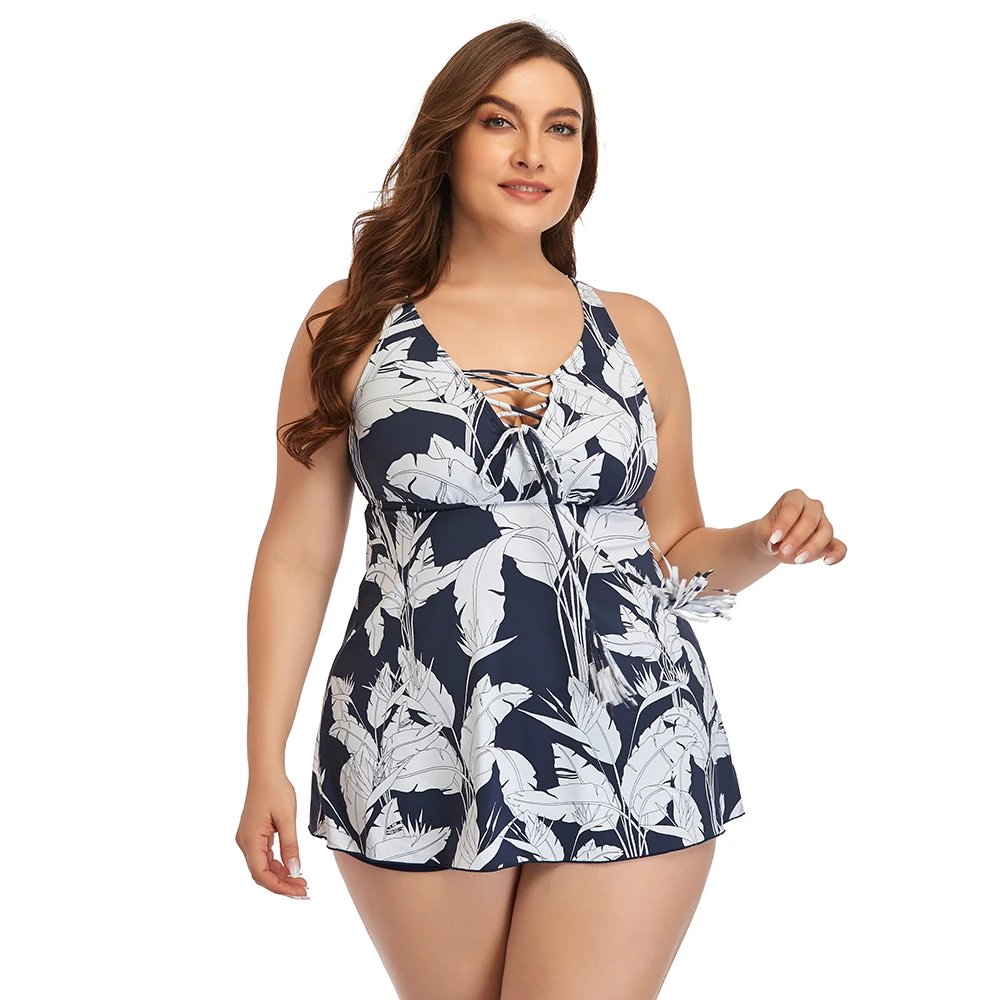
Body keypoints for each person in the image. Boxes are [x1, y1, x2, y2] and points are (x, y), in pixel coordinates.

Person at [235, 20, 846, 1000]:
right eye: (499, 122)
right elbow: (297, 554)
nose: (533, 153)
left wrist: (767, 540)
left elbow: (675, 554)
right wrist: (262, 756)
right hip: (412, 737)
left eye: (562, 128)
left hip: (635, 731)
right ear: (446, 140)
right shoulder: (348, 322)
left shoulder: (636, 331)